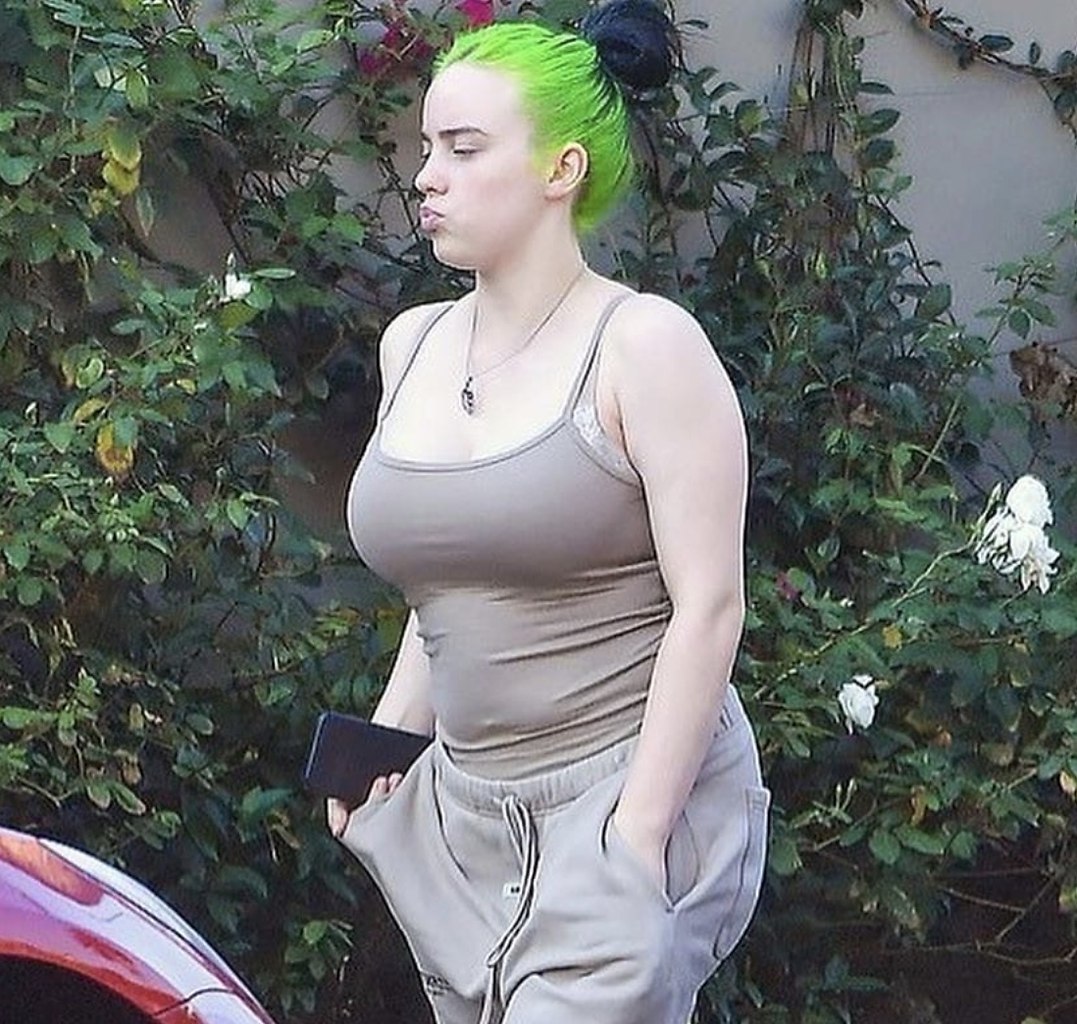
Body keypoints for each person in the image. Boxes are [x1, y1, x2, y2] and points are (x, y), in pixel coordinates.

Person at [328, 3, 769, 1022]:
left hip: (612, 800)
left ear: (561, 169)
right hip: (459, 821)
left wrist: (636, 837)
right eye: (426, 147)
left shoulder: (643, 346)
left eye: (463, 148)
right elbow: (448, 581)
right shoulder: (412, 346)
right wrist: (387, 742)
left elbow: (710, 607)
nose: (427, 176)